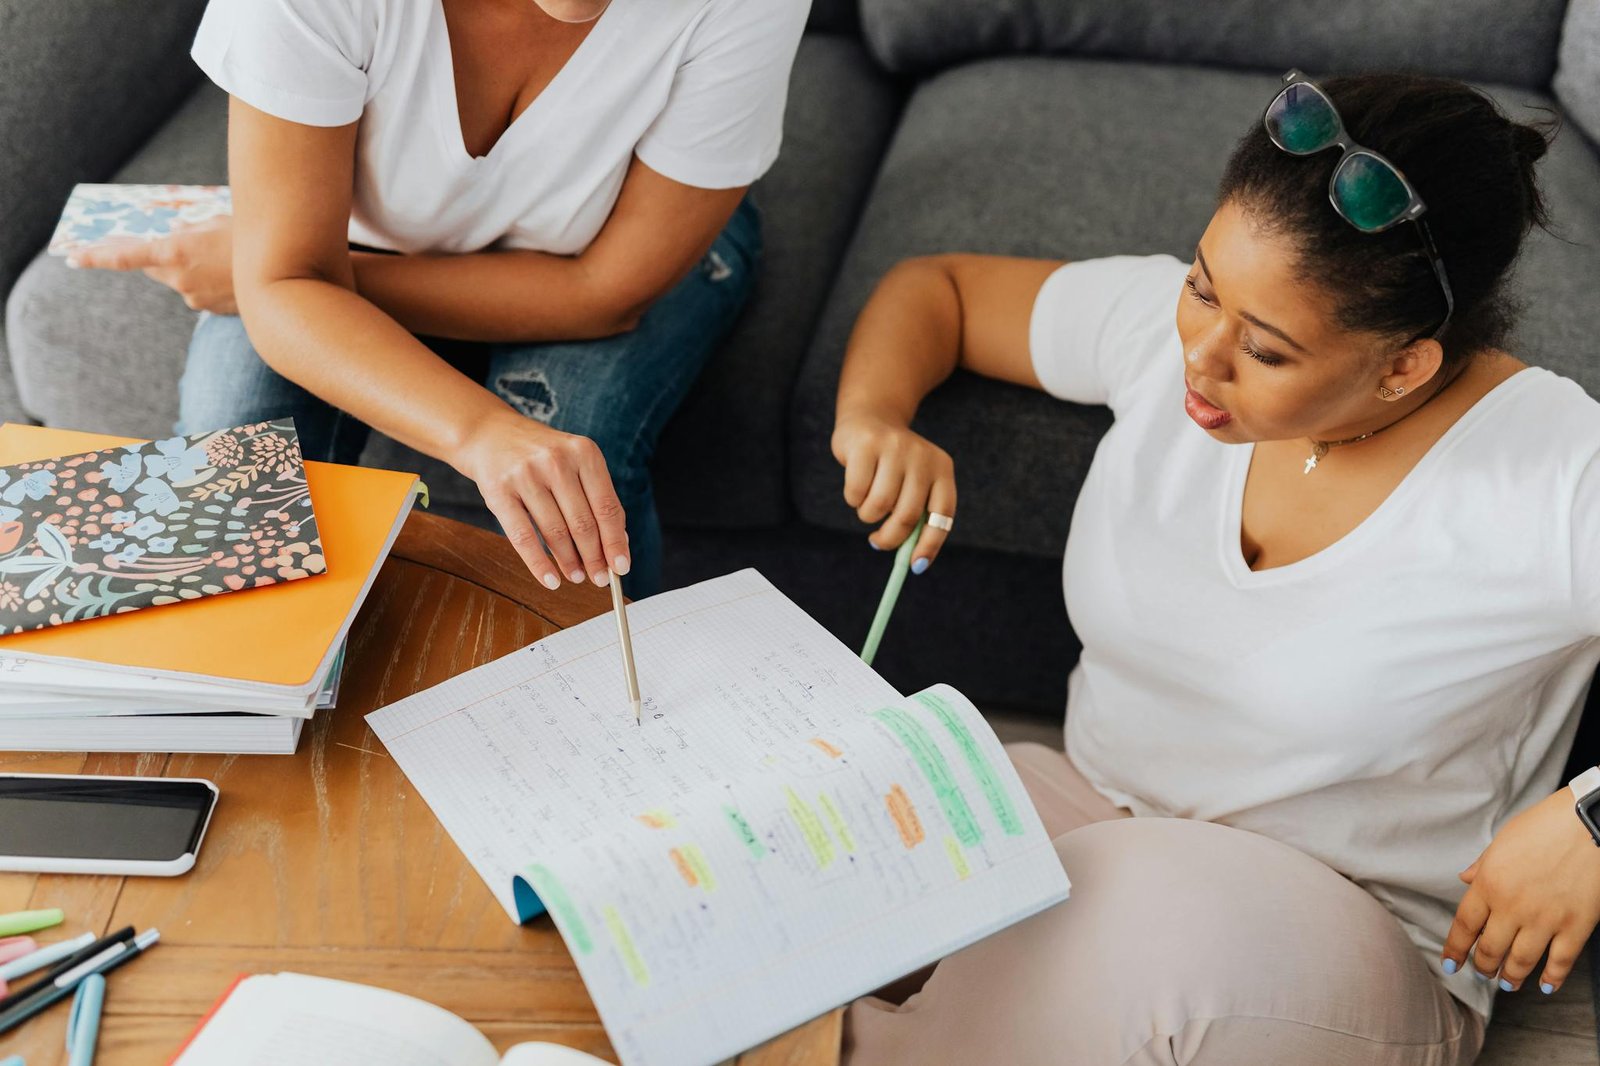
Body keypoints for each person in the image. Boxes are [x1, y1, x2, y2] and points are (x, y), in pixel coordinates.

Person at [831, 71, 1596, 1064]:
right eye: (1201, 286)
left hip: (1337, 930)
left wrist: (1588, 820)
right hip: (1091, 813)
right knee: (839, 830)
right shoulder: (1174, 335)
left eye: (1267, 352)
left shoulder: (1554, 467)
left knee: (1136, 919)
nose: (1198, 354)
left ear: (1402, 364)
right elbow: (936, 289)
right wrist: (873, 420)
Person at [67, 0, 807, 597]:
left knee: (577, 473)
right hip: (353, 237)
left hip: (615, 241)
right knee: (239, 468)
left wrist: (286, 279)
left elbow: (603, 292)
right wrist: (288, 279)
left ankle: (615, 753)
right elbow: (291, 282)